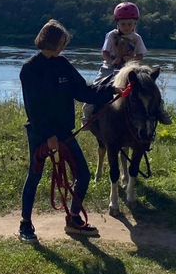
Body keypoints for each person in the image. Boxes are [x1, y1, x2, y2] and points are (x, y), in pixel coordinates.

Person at [18, 19, 116, 243]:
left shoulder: (63, 64)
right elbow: (33, 107)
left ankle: (73, 219)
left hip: (64, 131)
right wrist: (48, 135)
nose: (64, 45)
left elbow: (84, 91)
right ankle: (25, 223)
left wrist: (112, 90)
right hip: (40, 133)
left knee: (83, 174)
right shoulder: (30, 69)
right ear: (51, 40)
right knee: (34, 176)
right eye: (62, 41)